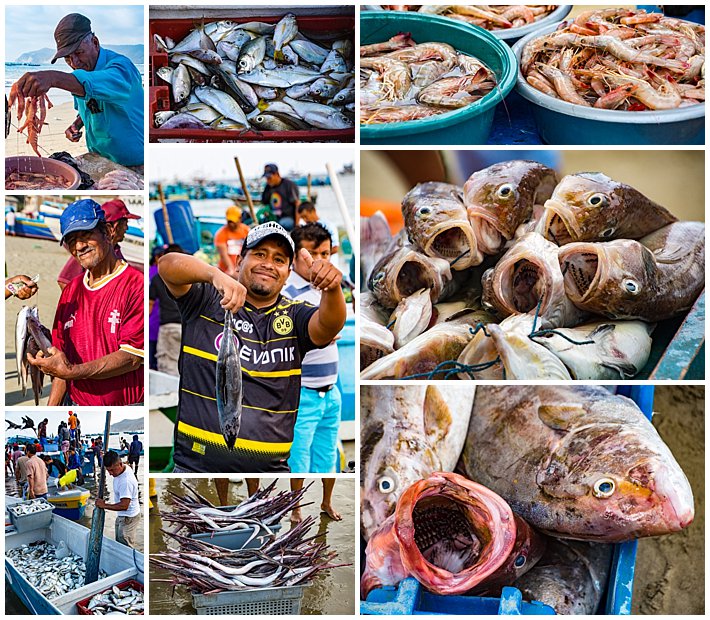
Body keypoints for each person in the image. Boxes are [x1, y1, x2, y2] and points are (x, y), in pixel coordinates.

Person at [158, 221, 346, 473]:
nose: (268, 264)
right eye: (259, 254)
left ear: (287, 273)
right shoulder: (205, 298)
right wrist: (214, 275)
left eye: (279, 260)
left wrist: (332, 289)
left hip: (270, 476)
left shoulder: (294, 315)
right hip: (194, 469)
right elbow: (167, 265)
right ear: (239, 261)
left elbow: (329, 324)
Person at [28, 199, 144, 406]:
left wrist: (73, 371)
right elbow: (61, 362)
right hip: (76, 403)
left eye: (85, 235)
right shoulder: (70, 291)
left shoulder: (136, 284)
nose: (79, 246)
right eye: (71, 241)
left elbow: (132, 358)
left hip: (126, 407)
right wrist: (51, 409)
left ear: (108, 233)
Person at [9, 13, 144, 167]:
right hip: (97, 160)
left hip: (136, 164)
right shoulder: (78, 77)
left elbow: (91, 85)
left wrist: (52, 78)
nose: (74, 63)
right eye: (67, 58)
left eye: (79, 53)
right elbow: (90, 107)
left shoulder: (122, 68)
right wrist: (77, 124)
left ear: (95, 42)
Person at [284, 224, 342, 473]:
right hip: (302, 394)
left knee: (326, 460)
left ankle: (325, 502)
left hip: (331, 392)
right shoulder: (287, 292)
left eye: (325, 254)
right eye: (311, 254)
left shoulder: (327, 291)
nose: (319, 261)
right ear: (294, 257)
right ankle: (296, 508)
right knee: (297, 462)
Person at [57, 199, 141, 290]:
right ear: (115, 226)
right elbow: (64, 281)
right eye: (126, 223)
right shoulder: (88, 250)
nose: (127, 228)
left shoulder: (114, 250)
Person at [149, 244, 184, 376]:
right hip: (187, 328)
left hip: (168, 326)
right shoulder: (190, 278)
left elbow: (150, 304)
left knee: (168, 368)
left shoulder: (158, 278)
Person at [95, 451, 140, 548]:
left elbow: (124, 505)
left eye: (112, 470)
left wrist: (104, 505)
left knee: (126, 545)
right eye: (108, 471)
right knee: (119, 542)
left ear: (120, 464)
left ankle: (129, 563)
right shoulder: (124, 467)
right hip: (122, 516)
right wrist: (105, 455)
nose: (110, 474)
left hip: (128, 517)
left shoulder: (125, 482)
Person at [261, 164, 300, 230]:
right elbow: (265, 204)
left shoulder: (289, 185)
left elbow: (297, 204)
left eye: (269, 178)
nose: (268, 180)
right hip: (272, 217)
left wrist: (297, 225)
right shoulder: (267, 187)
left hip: (287, 218)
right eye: (266, 178)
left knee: (280, 225)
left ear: (277, 174)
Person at [214, 207, 250, 275]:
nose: (231, 224)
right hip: (226, 269)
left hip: (242, 266)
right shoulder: (221, 233)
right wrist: (231, 269)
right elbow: (224, 255)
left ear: (240, 219)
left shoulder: (246, 230)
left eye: (233, 221)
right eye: (229, 221)